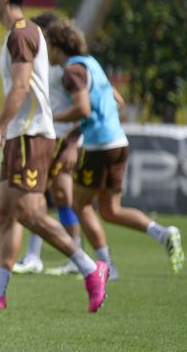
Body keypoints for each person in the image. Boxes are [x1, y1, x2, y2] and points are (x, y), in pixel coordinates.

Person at [0, 0, 108, 312]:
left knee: (28, 211)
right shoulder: (21, 33)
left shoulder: (22, 34)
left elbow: (22, 87)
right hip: (19, 135)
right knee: (7, 211)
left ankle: (90, 267)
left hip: (30, 135)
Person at [44, 19, 185, 276]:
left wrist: (51, 117)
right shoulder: (92, 64)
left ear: (56, 46)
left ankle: (107, 266)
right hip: (119, 141)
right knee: (110, 210)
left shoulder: (72, 71)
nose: (46, 51)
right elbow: (117, 102)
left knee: (80, 205)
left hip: (99, 146)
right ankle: (163, 234)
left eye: (47, 45)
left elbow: (83, 109)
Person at [13, 11, 83, 276]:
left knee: (63, 196)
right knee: (38, 196)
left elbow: (92, 101)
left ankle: (78, 255)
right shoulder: (41, 63)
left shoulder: (67, 65)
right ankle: (34, 256)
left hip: (65, 139)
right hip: (47, 136)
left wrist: (75, 142)